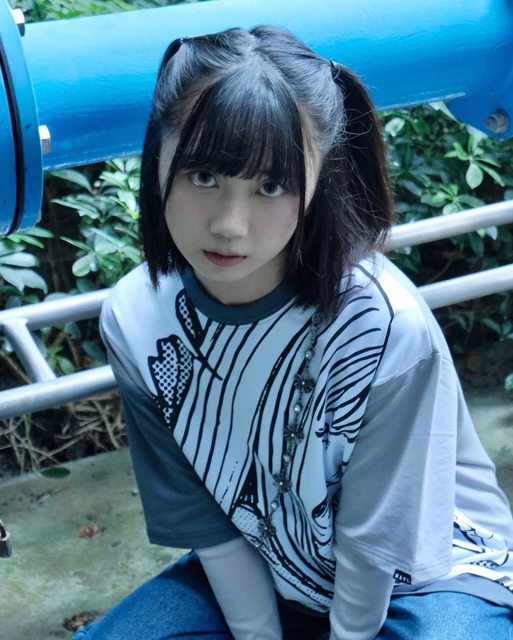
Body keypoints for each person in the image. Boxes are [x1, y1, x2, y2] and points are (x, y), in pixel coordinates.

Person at [73, 25, 513, 640]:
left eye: (271, 186)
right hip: (276, 560)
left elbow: (377, 543)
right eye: (204, 176)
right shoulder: (135, 315)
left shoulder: (380, 324)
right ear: (158, 156)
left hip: (431, 571)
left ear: (319, 176)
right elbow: (209, 523)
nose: (230, 224)